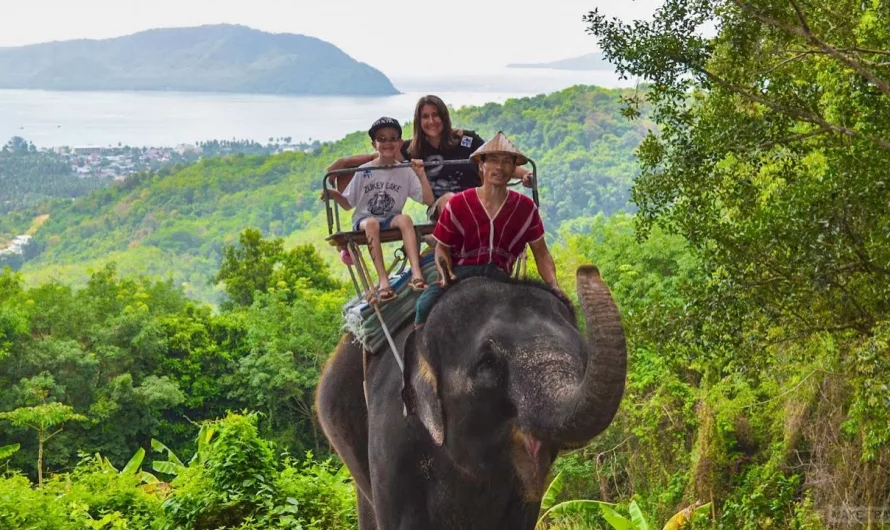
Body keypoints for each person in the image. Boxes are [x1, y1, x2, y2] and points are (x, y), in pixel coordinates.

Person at [414, 131, 560, 325]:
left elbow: (541, 254)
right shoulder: (458, 204)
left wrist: (554, 286)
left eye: (507, 161)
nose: (500, 167)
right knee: (424, 305)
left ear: (514, 167)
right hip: (462, 274)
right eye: (493, 160)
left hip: (501, 277)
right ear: (481, 166)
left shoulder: (525, 208)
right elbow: (442, 247)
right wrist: (446, 275)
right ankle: (423, 354)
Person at [328, 95, 531, 222]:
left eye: (436, 115)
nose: (431, 121)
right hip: (441, 208)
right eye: (425, 116)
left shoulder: (467, 140)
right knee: (450, 200)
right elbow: (380, 155)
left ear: (444, 116)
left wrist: (525, 174)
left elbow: (496, 163)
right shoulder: (411, 149)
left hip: (480, 201)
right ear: (419, 121)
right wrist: (345, 162)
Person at [324, 117, 434, 304]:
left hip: (390, 217)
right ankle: (383, 280)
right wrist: (333, 194)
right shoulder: (364, 171)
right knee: (372, 223)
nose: (387, 143)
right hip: (365, 220)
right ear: (374, 144)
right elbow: (348, 203)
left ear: (399, 142)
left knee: (405, 218)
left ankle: (416, 271)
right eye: (382, 139)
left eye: (392, 138)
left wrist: (421, 174)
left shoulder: (405, 170)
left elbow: (428, 200)